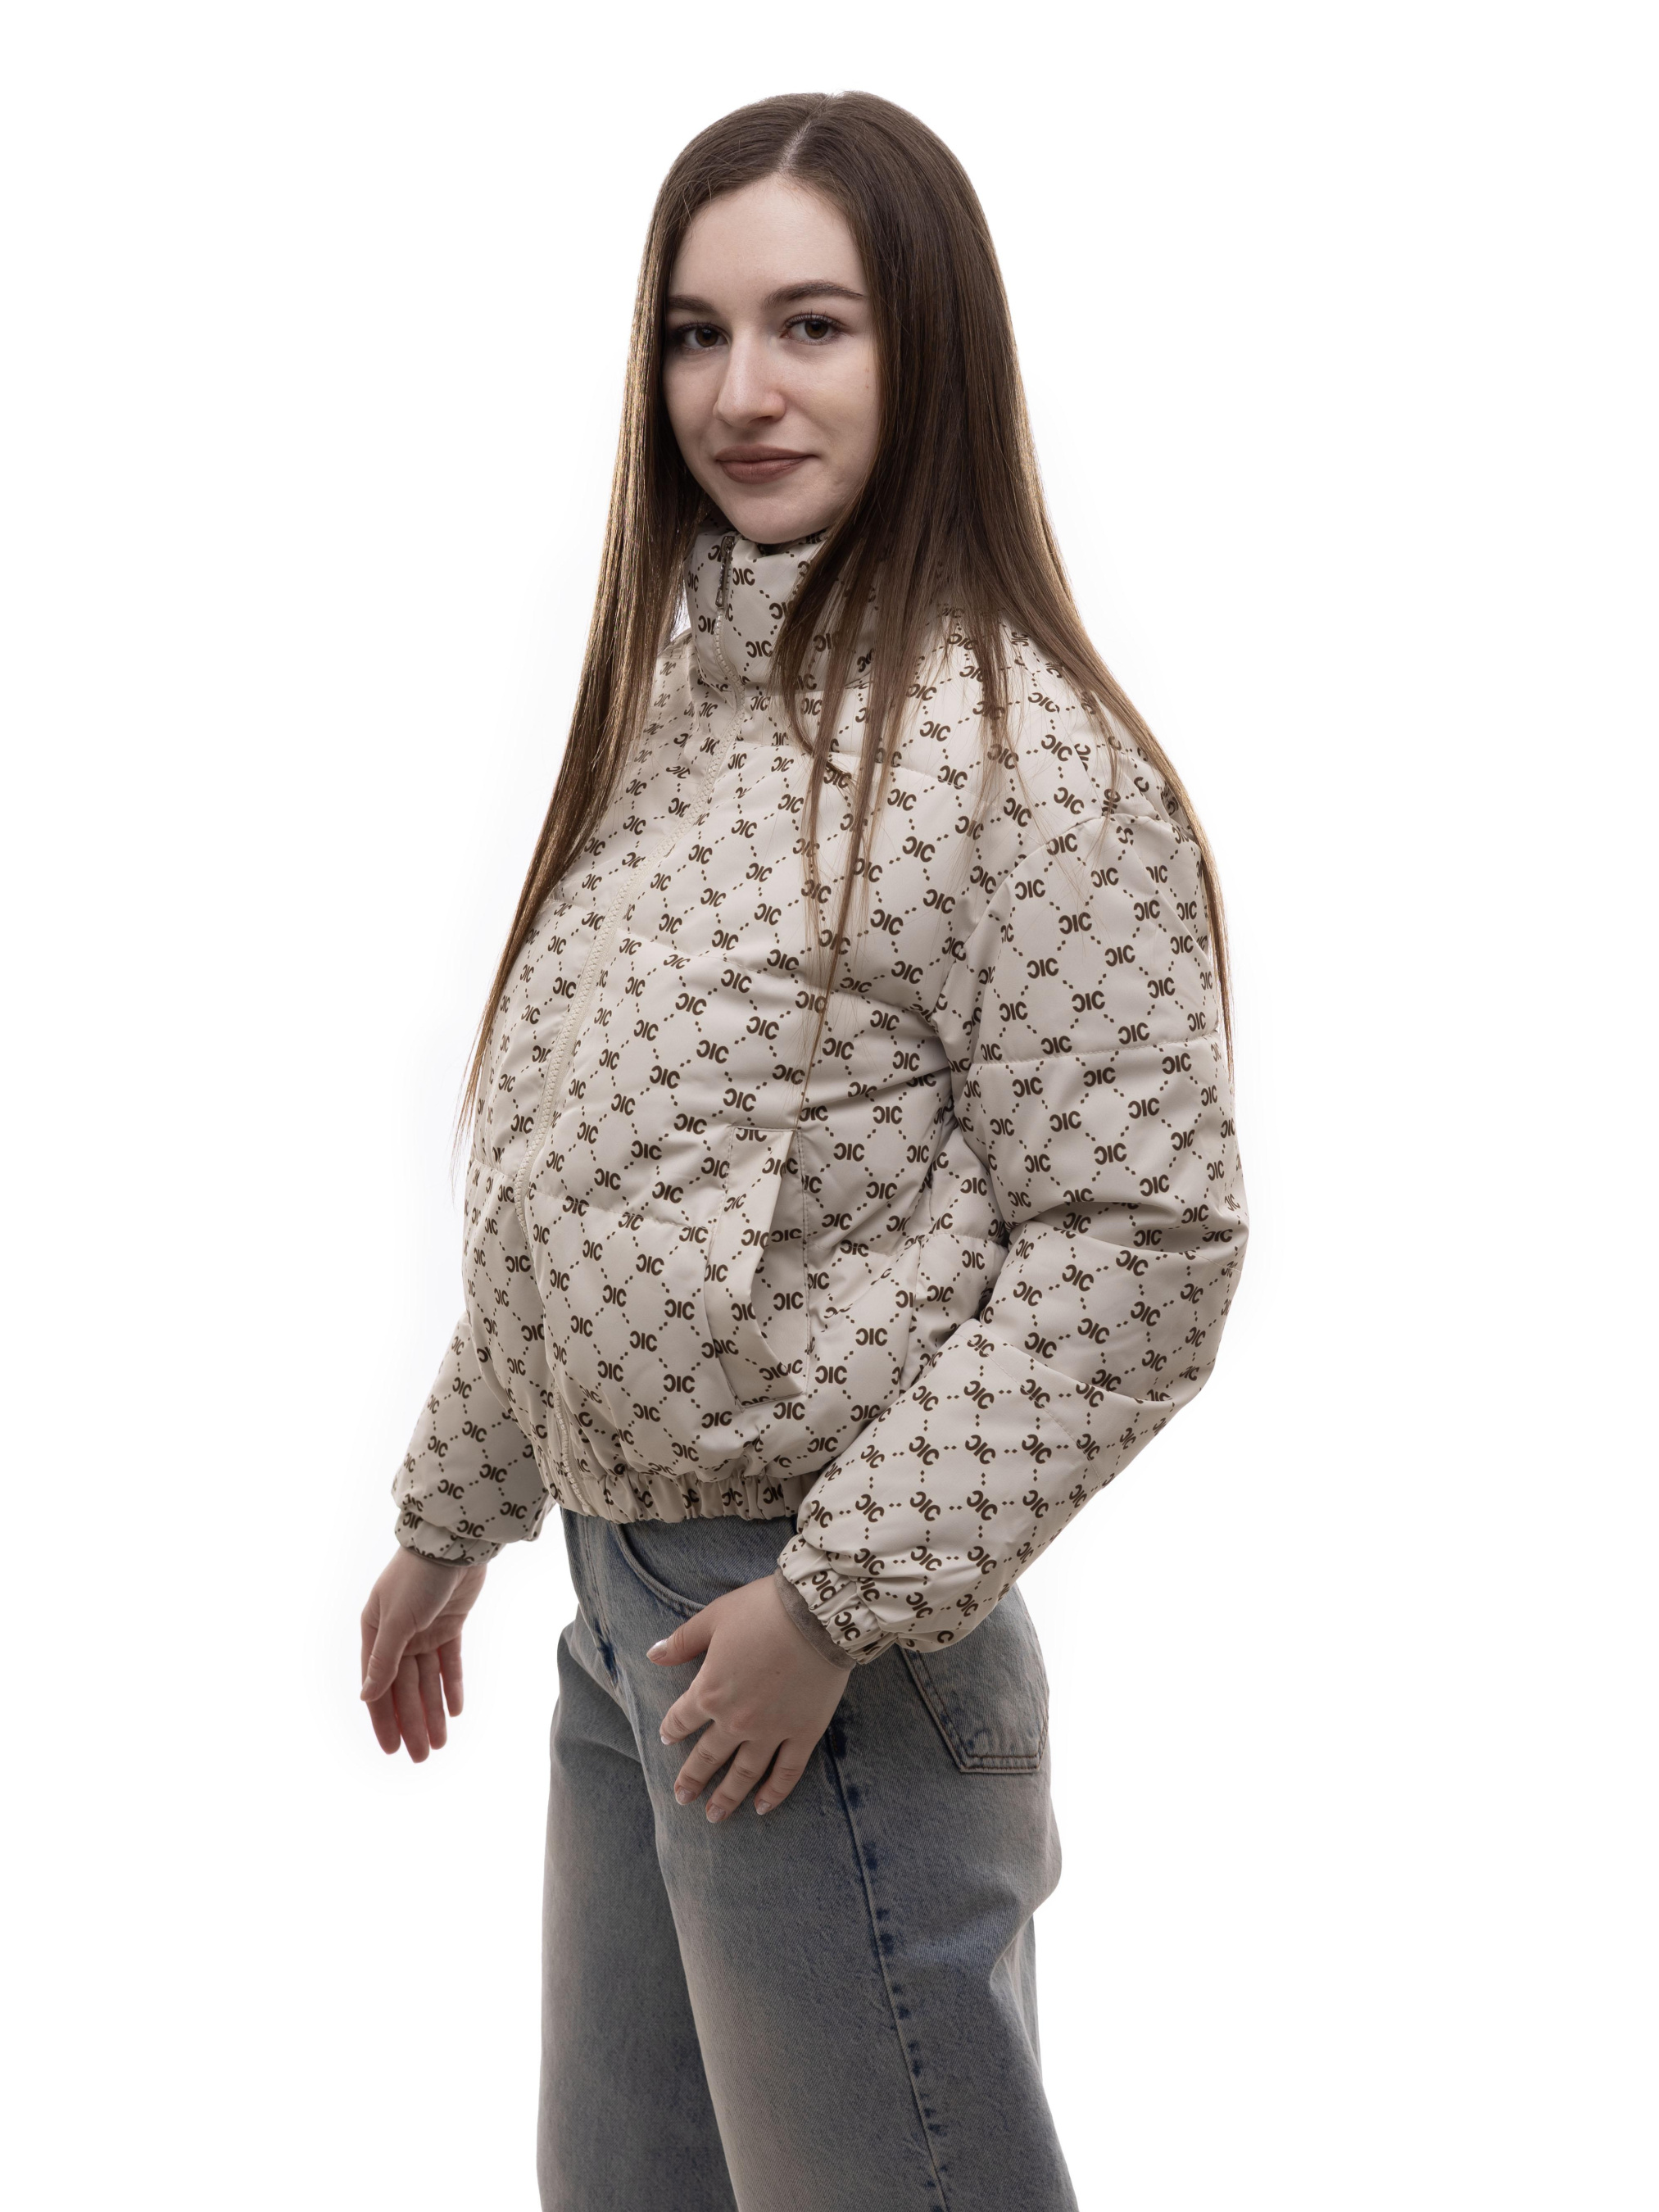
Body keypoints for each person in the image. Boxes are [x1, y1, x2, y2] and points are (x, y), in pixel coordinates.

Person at [358, 89, 1248, 2212]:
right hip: (630, 1616)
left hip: (819, 1642)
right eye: (695, 332)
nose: (738, 392)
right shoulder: (683, 728)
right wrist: (454, 1515)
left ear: (929, 348)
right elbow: (586, 1188)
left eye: (811, 326)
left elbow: (1140, 1241)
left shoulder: (1022, 757)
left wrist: (833, 1603)